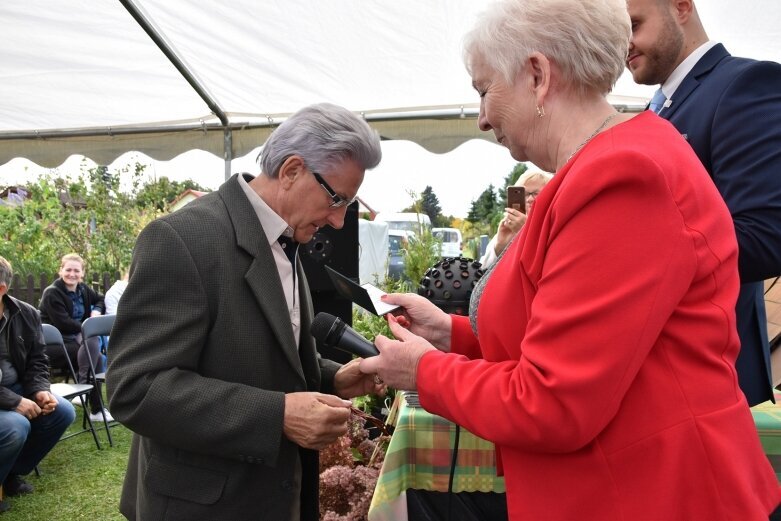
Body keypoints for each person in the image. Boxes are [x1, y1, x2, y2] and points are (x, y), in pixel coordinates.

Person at [358, 0, 781, 519]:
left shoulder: (621, 176)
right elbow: (571, 340)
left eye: (484, 90)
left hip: (656, 495)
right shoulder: (592, 171)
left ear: (537, 74)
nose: (483, 118)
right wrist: (451, 334)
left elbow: (554, 402)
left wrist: (425, 373)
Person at [107, 103, 385, 521]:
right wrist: (278, 416)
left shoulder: (287, 238)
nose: (340, 221)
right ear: (292, 170)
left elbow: (268, 349)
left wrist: (334, 377)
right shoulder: (183, 239)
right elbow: (136, 387)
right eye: (337, 199)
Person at [626, 0, 781, 407]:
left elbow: (766, 237)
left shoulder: (744, 83)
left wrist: (627, 256)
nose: (623, 44)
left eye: (634, 24)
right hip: (667, 377)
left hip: (717, 375)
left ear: (681, 7)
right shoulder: (652, 111)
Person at [0, 256, 75, 515]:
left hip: (16, 389)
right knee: (16, 426)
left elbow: (38, 360)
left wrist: (40, 390)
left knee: (63, 412)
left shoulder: (26, 314)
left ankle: (9, 473)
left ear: (1, 289)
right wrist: (14, 402)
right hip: (6, 398)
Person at [39, 253, 111, 423]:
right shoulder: (52, 293)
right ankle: (94, 406)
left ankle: (85, 393)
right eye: (68, 269)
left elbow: (100, 299)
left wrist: (96, 312)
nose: (72, 274)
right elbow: (63, 323)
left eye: (76, 270)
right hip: (53, 344)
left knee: (95, 352)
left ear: (82, 273)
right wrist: (89, 326)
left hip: (76, 341)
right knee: (97, 355)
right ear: (60, 270)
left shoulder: (83, 289)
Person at [479, 170, 553, 268]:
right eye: (524, 194)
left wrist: (527, 231)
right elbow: (482, 272)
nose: (529, 199)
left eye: (536, 193)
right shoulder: (508, 229)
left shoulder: (554, 226)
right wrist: (499, 247)